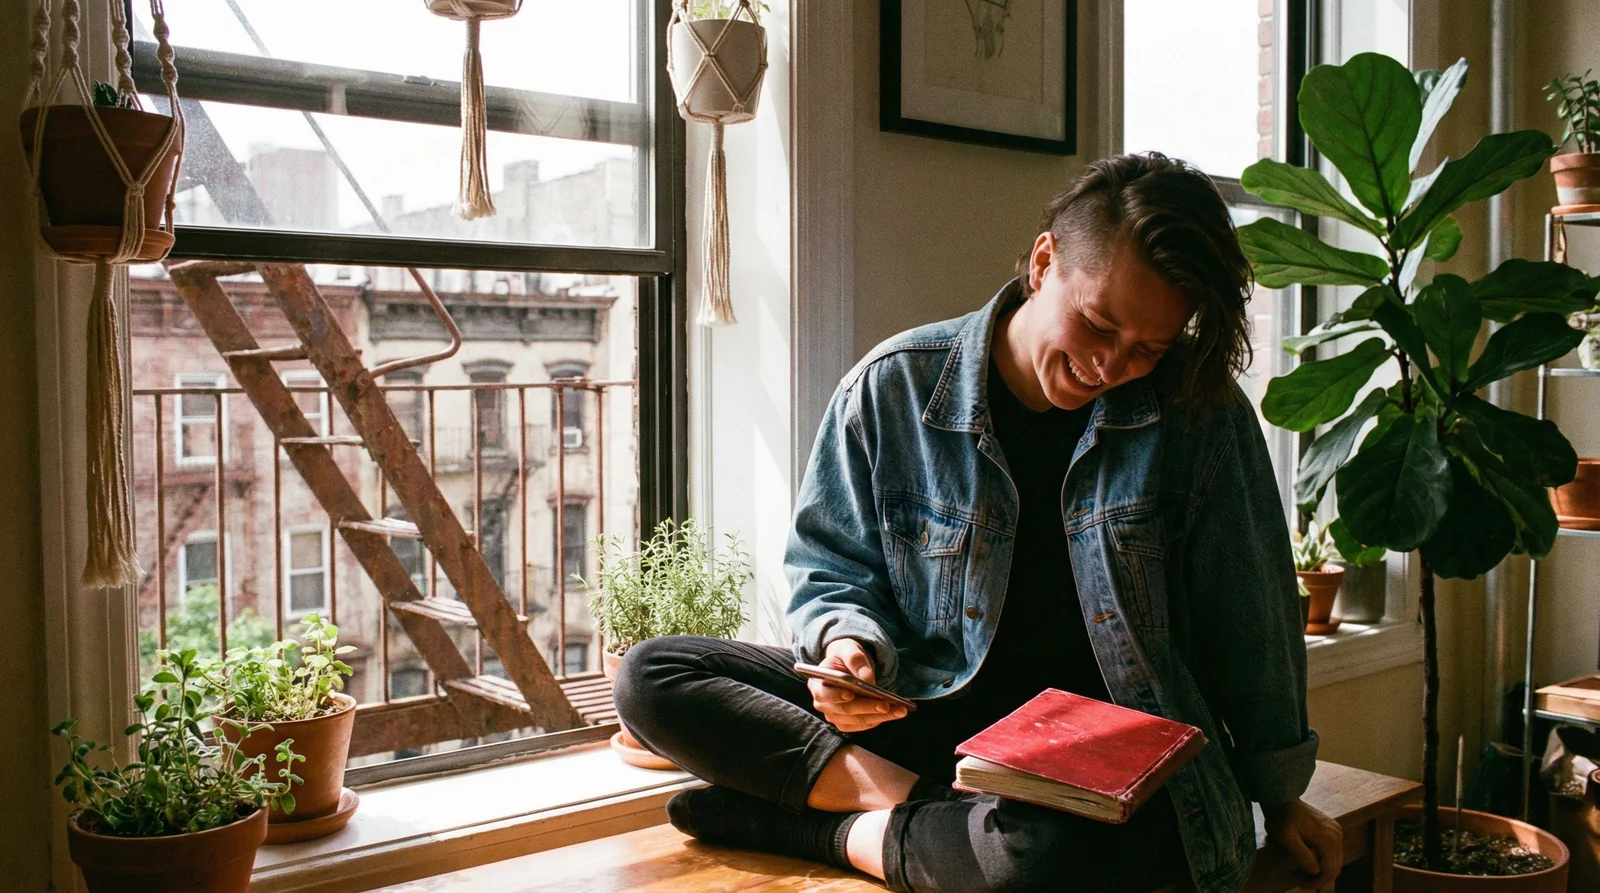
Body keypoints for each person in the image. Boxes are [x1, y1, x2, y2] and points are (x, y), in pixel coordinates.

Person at [614, 152, 1343, 892]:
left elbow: (1252, 623)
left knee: (1054, 858)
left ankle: (822, 827)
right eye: (1097, 324)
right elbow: (830, 564)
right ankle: (913, 814)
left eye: (1148, 349)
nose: (1111, 366)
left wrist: (1280, 797)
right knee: (654, 675)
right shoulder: (893, 387)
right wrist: (847, 645)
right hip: (924, 712)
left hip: (1094, 764)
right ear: (1042, 260)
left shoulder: (1201, 415)